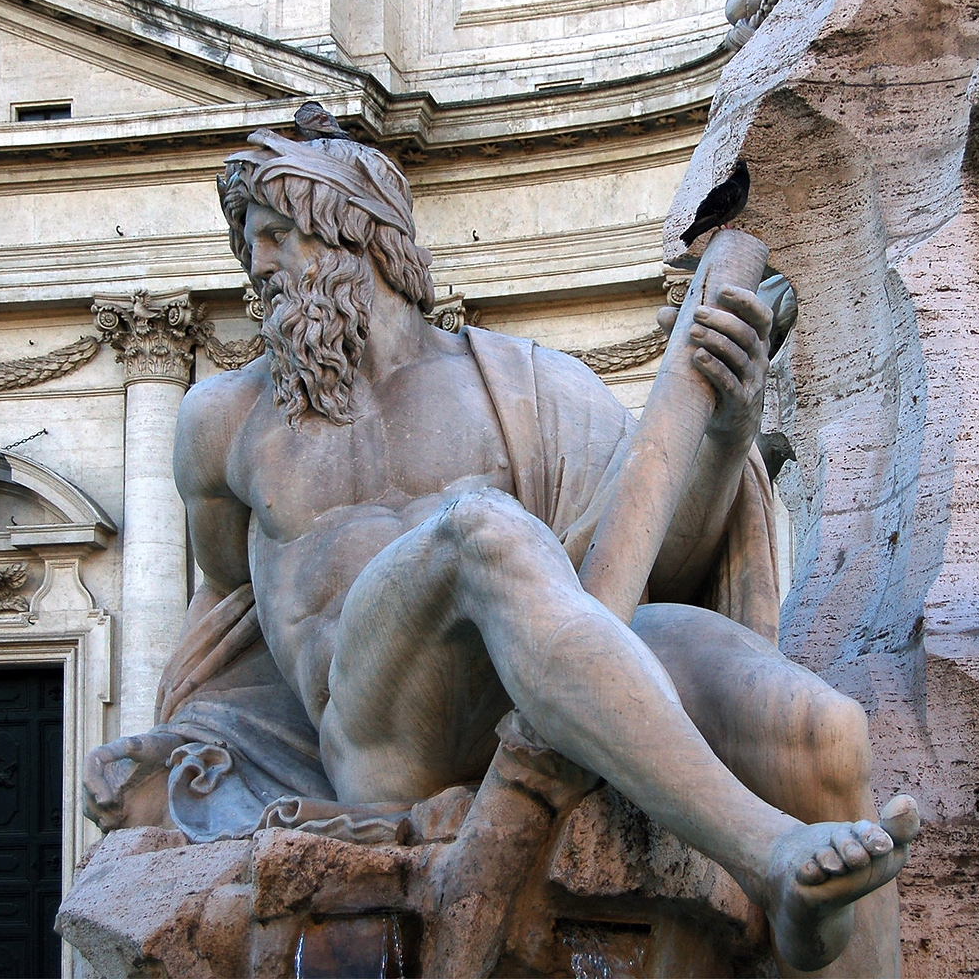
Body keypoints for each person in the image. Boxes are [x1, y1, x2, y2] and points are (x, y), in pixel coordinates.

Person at [82, 123, 917, 973]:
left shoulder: (527, 382)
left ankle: (819, 910)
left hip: (545, 679)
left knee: (822, 731)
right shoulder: (225, 420)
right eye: (247, 243)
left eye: (273, 234)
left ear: (357, 232)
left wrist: (726, 435)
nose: (256, 267)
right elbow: (225, 616)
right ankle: (766, 853)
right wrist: (180, 745)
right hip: (375, 739)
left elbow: (651, 568)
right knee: (480, 526)